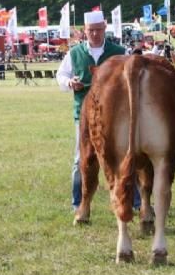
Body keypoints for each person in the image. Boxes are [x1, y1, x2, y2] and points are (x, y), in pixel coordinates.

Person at [56, 11, 132, 211]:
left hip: (116, 117)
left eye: (99, 30)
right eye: (91, 31)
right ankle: (78, 202)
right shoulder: (75, 53)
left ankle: (134, 201)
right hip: (84, 116)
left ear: (105, 28)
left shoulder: (120, 52)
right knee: (81, 159)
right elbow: (61, 75)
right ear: (84, 31)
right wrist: (70, 82)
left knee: (125, 155)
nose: (95, 34)